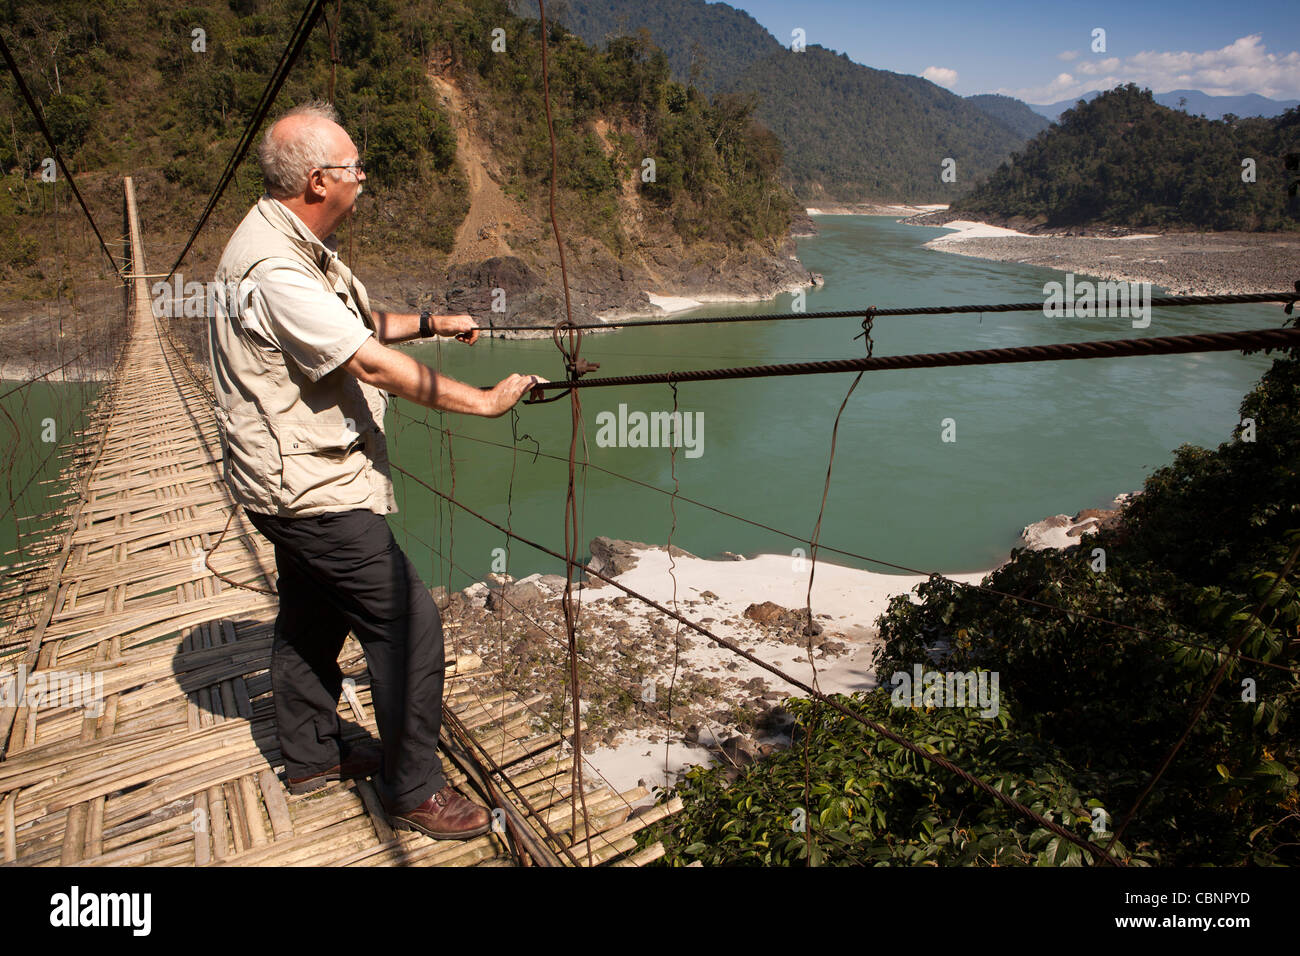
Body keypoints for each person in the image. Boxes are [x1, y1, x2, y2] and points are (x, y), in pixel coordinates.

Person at [205, 101, 543, 841]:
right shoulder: (274, 270)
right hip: (310, 488)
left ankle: (311, 756)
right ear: (321, 181)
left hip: (275, 479)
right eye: (357, 167)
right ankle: (412, 787)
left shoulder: (288, 238)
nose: (366, 177)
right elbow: (365, 360)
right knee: (408, 624)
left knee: (310, 615)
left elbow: (352, 327)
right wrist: (484, 402)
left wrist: (430, 321)